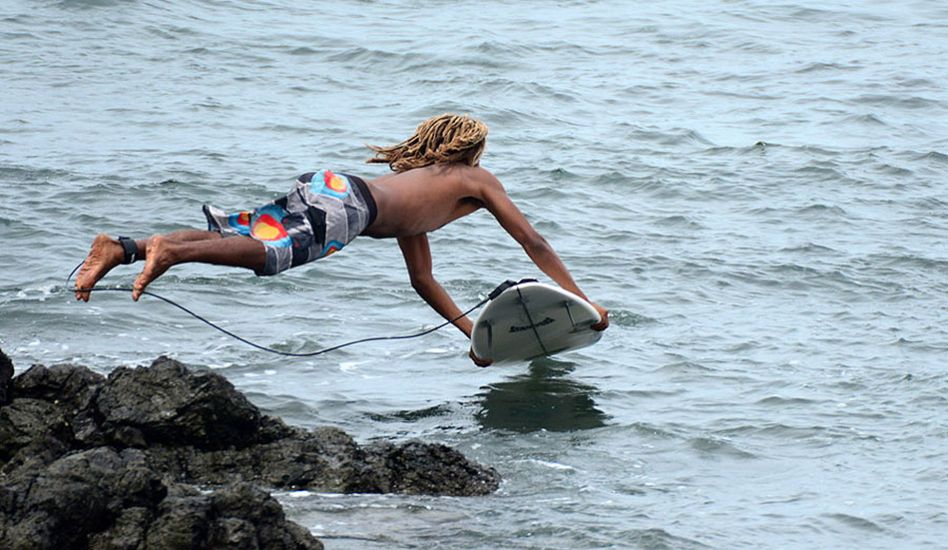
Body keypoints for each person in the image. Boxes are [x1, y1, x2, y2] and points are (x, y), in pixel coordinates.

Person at [74, 113, 609, 365]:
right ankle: (166, 252)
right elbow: (532, 241)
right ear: (472, 151)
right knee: (270, 258)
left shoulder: (413, 197)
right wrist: (585, 301)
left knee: (239, 234)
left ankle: (123, 248)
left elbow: (423, 279)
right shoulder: (473, 178)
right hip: (351, 205)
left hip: (333, 185)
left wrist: (476, 338)